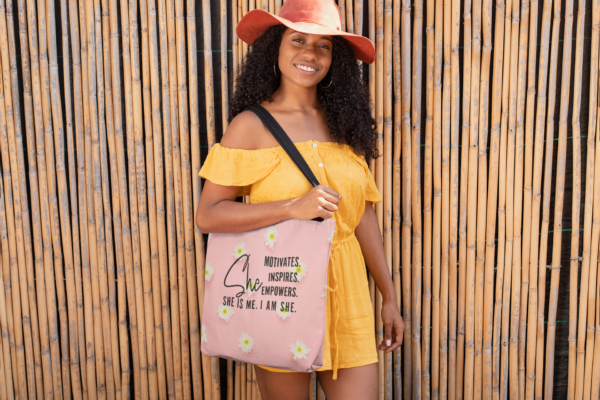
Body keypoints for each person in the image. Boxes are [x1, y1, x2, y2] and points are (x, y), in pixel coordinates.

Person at [195, 0, 404, 398]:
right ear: (275, 47)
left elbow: (363, 218)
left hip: (350, 295)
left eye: (323, 45)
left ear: (335, 59)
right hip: (280, 287)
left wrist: (389, 297)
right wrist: (292, 208)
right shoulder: (250, 126)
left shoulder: (345, 123)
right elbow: (209, 215)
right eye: (298, 40)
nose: (309, 53)